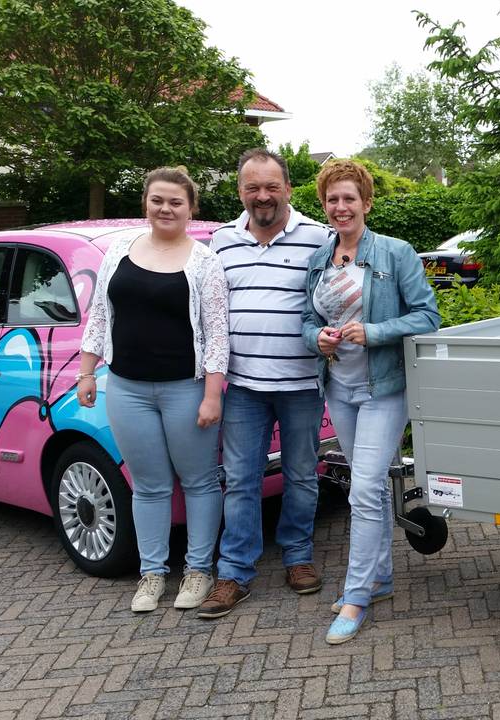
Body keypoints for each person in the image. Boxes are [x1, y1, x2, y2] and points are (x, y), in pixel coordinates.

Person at [77, 166, 229, 613]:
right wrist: (87, 374)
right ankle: (152, 573)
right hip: (126, 387)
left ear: (190, 208)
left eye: (176, 202)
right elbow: (100, 317)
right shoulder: (119, 252)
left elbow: (218, 334)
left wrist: (213, 394)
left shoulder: (205, 261)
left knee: (200, 481)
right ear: (145, 203)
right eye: (158, 200)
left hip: (187, 387)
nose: (166, 208)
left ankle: (199, 570)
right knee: (148, 485)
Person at [302, 159, 439, 644]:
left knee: (361, 489)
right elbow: (304, 320)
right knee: (372, 488)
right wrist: (316, 336)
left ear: (366, 202)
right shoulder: (320, 258)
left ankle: (356, 595)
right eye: (332, 200)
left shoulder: (395, 253)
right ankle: (378, 579)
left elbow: (428, 316)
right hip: (339, 387)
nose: (341, 207)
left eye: (349, 198)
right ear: (325, 206)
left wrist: (376, 332)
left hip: (384, 388)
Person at [196, 148, 331, 619]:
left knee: (299, 475)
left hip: (301, 384)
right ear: (240, 192)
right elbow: (208, 312)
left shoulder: (319, 237)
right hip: (244, 387)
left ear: (288, 189)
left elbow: (334, 298)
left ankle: (297, 557)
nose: (263, 196)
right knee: (240, 480)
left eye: (272, 186)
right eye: (252, 187)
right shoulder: (221, 242)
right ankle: (234, 572)